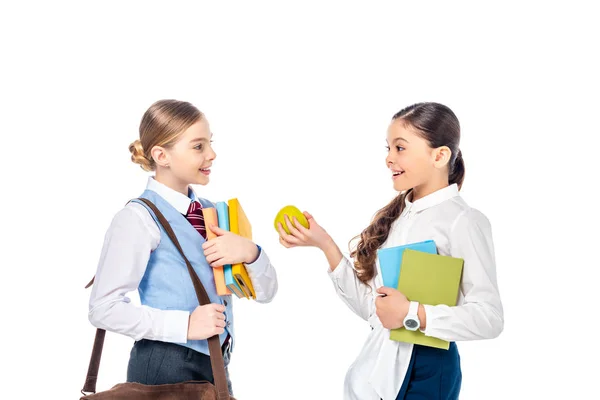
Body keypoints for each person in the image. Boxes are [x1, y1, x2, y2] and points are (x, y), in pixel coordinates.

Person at [277, 102, 503, 399]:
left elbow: (490, 318)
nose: (388, 158)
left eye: (400, 148)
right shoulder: (398, 218)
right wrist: (324, 244)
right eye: (388, 148)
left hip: (427, 370)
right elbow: (376, 312)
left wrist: (413, 314)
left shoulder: (463, 221)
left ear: (440, 155)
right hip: (378, 371)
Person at [88, 99, 278, 395]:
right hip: (165, 366)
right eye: (198, 146)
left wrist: (251, 254)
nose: (212, 154)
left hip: (216, 364)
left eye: (210, 144)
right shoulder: (137, 218)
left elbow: (266, 293)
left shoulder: (217, 214)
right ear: (161, 155)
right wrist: (184, 324)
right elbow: (103, 309)